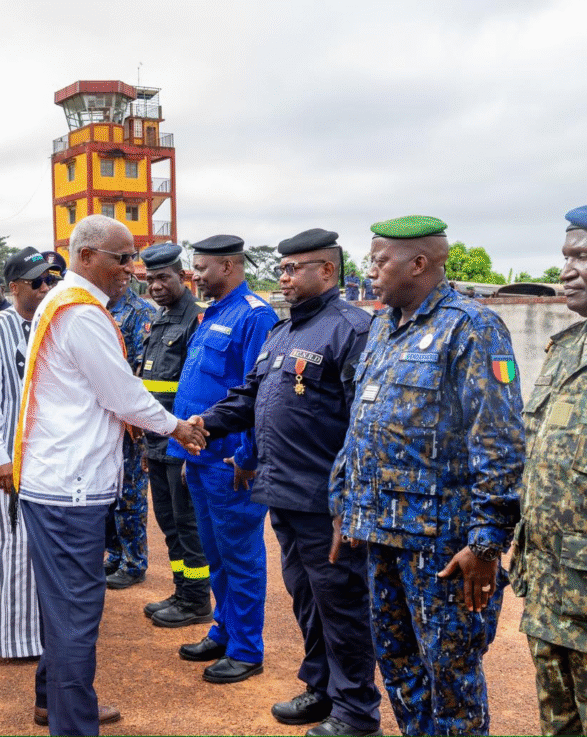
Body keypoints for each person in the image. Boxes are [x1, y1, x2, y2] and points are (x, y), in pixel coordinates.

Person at [329, 215, 524, 737]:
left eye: (378, 260)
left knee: (451, 679)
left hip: (442, 548)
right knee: (400, 669)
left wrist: (485, 545)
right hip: (381, 535)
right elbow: (362, 423)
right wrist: (344, 502)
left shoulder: (473, 327)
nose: (369, 271)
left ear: (418, 263)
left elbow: (499, 440)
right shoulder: (382, 327)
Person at [13, 214, 206, 736]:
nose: (132, 268)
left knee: (64, 609)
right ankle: (73, 726)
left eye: (132, 257)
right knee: (77, 616)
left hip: (58, 481)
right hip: (70, 487)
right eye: (122, 258)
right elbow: (122, 395)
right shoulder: (81, 314)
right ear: (86, 256)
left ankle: (54, 704)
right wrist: (178, 428)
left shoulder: (65, 304)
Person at [194, 229, 380, 736]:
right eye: (281, 269)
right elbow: (249, 397)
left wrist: (351, 503)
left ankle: (357, 713)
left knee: (342, 607)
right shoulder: (282, 332)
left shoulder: (353, 329)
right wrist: (203, 424)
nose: (284, 276)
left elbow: (365, 426)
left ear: (327, 271)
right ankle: (322, 690)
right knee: (307, 600)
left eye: (295, 268)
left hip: (327, 502)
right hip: (286, 495)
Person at [170, 234, 277, 684]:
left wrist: (248, 456)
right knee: (215, 554)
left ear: (230, 266)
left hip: (231, 463)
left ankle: (247, 648)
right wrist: (185, 452)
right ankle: (224, 628)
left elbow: (259, 395)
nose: (195, 274)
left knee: (240, 556)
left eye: (203, 267)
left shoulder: (255, 315)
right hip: (200, 458)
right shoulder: (213, 312)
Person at [511, 204, 587, 736]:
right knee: (558, 725)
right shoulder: (566, 348)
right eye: (566, 256)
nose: (567, 270)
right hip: (552, 590)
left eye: (582, 257)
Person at [0, 247, 53, 659]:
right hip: (5, 450)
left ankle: (36, 634)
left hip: (44, 452)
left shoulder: (49, 322)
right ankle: (10, 638)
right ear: (15, 286)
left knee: (38, 542)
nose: (45, 287)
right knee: (12, 541)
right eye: (37, 281)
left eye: (49, 280)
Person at [138, 243, 212, 627]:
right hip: (156, 440)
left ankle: (198, 601)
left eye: (163, 277)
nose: (155, 285)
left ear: (181, 277)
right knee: (168, 523)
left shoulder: (195, 321)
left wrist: (185, 442)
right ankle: (182, 589)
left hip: (181, 441)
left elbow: (194, 387)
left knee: (188, 524)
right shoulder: (160, 321)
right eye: (150, 279)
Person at [104, 284, 156, 589]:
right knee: (109, 492)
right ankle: (114, 554)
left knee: (130, 492)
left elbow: (139, 370)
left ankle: (134, 561)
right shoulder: (100, 310)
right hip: (106, 418)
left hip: (130, 421)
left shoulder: (141, 312)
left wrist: (133, 416)